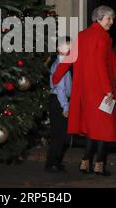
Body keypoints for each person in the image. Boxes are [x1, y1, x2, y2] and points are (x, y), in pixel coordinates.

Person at [52, 5, 116, 176]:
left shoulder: (82, 35)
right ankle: (99, 165)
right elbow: (101, 65)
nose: (111, 22)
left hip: (85, 91)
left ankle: (85, 162)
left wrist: (56, 76)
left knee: (92, 128)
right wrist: (107, 90)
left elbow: (70, 58)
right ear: (99, 19)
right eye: (108, 19)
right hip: (101, 89)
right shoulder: (103, 37)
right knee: (104, 129)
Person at [45, 37, 72, 173]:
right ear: (58, 49)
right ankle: (51, 163)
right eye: (66, 46)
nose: (69, 48)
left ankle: (56, 161)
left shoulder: (65, 64)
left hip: (60, 100)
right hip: (58, 101)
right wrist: (65, 107)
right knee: (58, 134)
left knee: (62, 134)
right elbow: (60, 88)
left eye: (70, 45)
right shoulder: (59, 65)